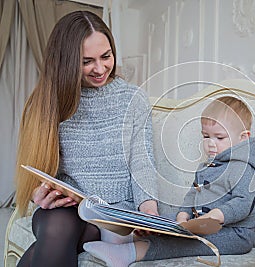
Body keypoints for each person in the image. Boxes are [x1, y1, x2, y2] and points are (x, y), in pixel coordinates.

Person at [14, 11, 158, 267]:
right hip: (65, 209)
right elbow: (39, 170)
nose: (100, 68)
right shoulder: (48, 102)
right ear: (66, 62)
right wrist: (39, 193)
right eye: (87, 61)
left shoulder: (132, 99)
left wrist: (148, 209)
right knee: (58, 226)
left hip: (112, 214)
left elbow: (142, 161)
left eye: (106, 56)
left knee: (47, 248)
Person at [83, 96, 255, 266]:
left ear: (243, 138)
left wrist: (217, 215)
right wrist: (182, 215)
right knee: (166, 222)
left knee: (189, 243)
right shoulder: (207, 166)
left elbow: (243, 203)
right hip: (201, 221)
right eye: (206, 136)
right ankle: (129, 237)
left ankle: (129, 253)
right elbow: (193, 195)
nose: (210, 143)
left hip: (235, 234)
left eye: (219, 137)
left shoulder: (244, 167)